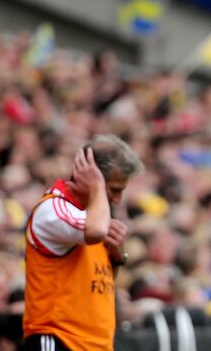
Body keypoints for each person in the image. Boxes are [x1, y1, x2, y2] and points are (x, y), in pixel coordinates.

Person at [23, 135, 143, 350]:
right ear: (89, 177)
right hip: (58, 339)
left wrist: (117, 257)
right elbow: (95, 231)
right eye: (114, 190)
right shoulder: (53, 209)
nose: (117, 200)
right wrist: (97, 186)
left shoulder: (95, 215)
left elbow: (97, 282)